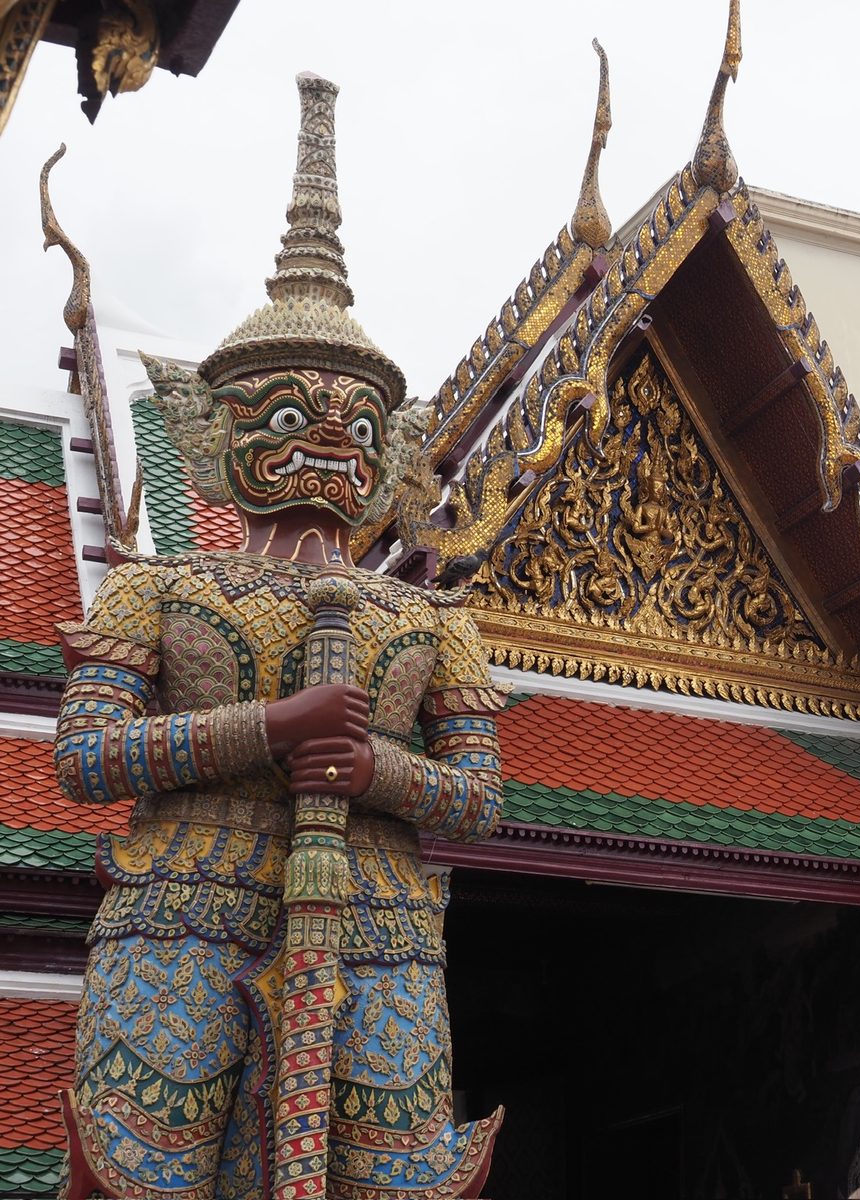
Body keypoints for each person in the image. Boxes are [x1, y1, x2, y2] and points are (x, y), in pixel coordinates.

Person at [54, 74, 503, 1199]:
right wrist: (272, 726)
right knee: (144, 1176)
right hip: (180, 908)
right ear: (216, 431)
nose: (328, 449)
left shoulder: (429, 619)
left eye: (356, 425)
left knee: (394, 1185)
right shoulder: (155, 590)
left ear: (392, 453)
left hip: (384, 923)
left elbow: (480, 796)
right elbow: (87, 756)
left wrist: (369, 765)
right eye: (291, 418)